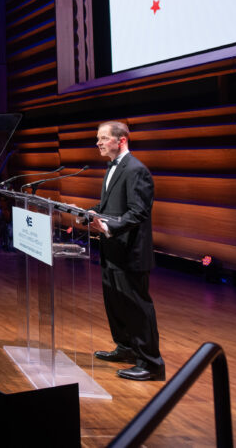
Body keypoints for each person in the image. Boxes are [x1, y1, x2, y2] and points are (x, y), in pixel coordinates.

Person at [88, 121, 164, 382]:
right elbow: (110, 204)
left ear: (121, 140)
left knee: (136, 307)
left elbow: (138, 212)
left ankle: (151, 364)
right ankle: (127, 348)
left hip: (130, 251)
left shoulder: (136, 170)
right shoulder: (112, 167)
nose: (98, 142)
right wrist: (90, 213)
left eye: (103, 138)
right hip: (112, 248)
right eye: (98, 138)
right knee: (116, 303)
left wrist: (108, 225)